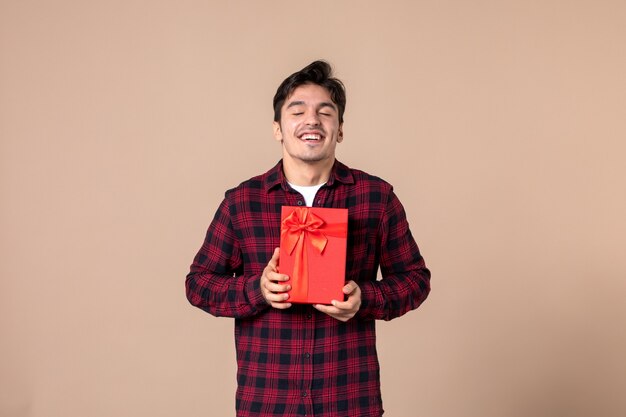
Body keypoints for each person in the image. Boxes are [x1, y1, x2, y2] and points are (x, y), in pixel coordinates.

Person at [186, 60, 431, 417]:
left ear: (340, 129)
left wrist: (366, 297)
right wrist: (258, 290)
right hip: (267, 402)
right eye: (297, 111)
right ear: (277, 129)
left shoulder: (377, 197)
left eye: (325, 112)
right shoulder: (242, 202)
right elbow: (198, 284)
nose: (312, 121)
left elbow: (415, 280)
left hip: (349, 400)